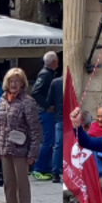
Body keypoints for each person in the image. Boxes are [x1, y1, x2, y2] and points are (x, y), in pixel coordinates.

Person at [0, 67, 42, 203]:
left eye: (17, 81)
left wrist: (33, 152)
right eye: (11, 81)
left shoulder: (27, 102)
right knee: (9, 185)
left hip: (21, 149)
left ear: (22, 84)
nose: (14, 84)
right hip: (5, 147)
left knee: (22, 185)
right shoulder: (2, 100)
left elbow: (35, 129)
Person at [30, 51, 60, 180]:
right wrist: (47, 106)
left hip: (46, 111)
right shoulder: (45, 74)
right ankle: (38, 168)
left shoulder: (49, 74)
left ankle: (46, 168)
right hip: (45, 112)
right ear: (53, 62)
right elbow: (35, 92)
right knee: (48, 140)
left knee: (50, 140)